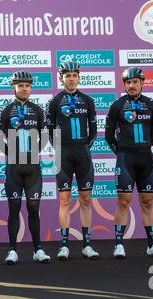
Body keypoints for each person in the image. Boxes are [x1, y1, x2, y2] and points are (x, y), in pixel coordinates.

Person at [105, 67, 153, 259]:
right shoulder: (117, 105)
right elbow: (109, 136)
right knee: (123, 202)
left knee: (147, 202)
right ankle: (118, 244)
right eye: (128, 83)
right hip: (126, 159)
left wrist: (143, 147)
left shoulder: (151, 105)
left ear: (142, 82)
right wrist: (122, 152)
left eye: (134, 82)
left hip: (146, 158)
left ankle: (152, 244)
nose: (131, 86)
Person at [0, 70, 51, 265]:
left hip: (33, 166)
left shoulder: (38, 110)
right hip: (13, 167)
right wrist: (9, 152)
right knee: (14, 208)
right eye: (21, 86)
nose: (24, 89)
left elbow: (46, 134)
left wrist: (35, 151)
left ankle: (38, 249)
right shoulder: (6, 110)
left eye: (27, 86)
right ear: (14, 87)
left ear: (30, 88)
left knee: (34, 208)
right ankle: (12, 250)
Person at [46, 61, 99, 260]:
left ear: (78, 77)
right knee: (64, 200)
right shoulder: (54, 101)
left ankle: (87, 245)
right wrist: (59, 148)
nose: (71, 78)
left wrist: (85, 146)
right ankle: (64, 246)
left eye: (74, 75)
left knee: (86, 199)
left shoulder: (88, 100)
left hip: (83, 153)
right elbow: (50, 131)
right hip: (63, 154)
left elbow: (93, 130)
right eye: (67, 75)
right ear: (61, 78)